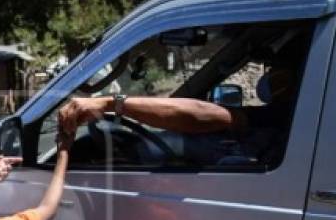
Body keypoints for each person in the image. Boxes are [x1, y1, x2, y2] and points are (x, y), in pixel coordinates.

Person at [59, 34, 308, 167]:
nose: (268, 75)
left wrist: (111, 104)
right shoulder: (297, 113)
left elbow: (204, 115)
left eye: (275, 69)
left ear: (295, 75)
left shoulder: (290, 115)